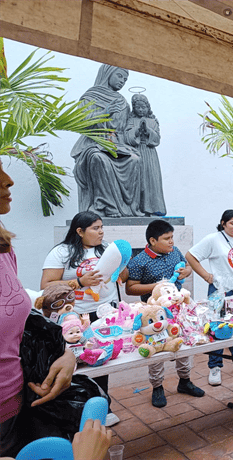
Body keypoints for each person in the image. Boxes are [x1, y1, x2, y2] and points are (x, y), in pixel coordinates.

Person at [0, 160, 76, 457]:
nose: (9, 181)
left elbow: (15, 320)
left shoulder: (4, 250)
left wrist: (63, 353)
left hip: (19, 404)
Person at [40, 211, 125, 427]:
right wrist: (79, 282)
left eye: (101, 227)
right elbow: (46, 285)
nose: (101, 231)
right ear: (79, 231)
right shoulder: (61, 252)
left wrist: (120, 268)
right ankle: (79, 409)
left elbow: (120, 276)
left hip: (105, 313)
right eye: (95, 228)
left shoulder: (105, 249)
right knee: (79, 364)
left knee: (100, 358)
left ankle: (103, 406)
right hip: (75, 317)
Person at [125, 220, 204, 407]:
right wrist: (158, 287)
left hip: (178, 310)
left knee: (183, 346)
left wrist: (186, 272)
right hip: (154, 314)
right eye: (167, 238)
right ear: (153, 240)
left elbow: (187, 268)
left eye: (172, 237)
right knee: (157, 349)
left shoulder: (174, 252)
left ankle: (185, 381)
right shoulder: (139, 261)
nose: (171, 242)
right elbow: (130, 288)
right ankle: (157, 387)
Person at [186, 210, 233, 386]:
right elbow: (191, 255)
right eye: (232, 223)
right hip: (220, 290)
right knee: (217, 328)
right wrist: (206, 276)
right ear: (223, 223)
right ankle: (215, 367)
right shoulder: (214, 239)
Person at [70, 64, 143, 218]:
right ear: (108, 73)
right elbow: (80, 123)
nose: (122, 81)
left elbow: (123, 129)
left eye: (125, 79)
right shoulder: (90, 96)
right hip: (93, 143)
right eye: (119, 76)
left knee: (135, 159)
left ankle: (129, 208)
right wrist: (105, 112)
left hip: (117, 145)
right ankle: (105, 205)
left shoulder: (123, 102)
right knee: (99, 159)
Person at [125, 94, 167, 216]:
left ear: (148, 107)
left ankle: (153, 208)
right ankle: (138, 208)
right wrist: (137, 129)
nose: (141, 110)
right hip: (135, 152)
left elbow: (157, 139)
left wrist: (148, 130)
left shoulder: (153, 121)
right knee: (139, 180)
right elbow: (127, 136)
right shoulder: (131, 120)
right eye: (138, 107)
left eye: (143, 107)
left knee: (151, 179)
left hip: (150, 153)